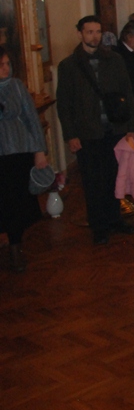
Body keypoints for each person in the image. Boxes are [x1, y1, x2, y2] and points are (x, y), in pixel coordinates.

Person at [57, 16, 134, 244]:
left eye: (98, 32)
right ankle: (99, 225)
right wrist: (71, 135)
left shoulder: (114, 60)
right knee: (93, 181)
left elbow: (127, 92)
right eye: (90, 32)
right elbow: (64, 104)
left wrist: (131, 126)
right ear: (80, 34)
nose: (95, 36)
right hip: (88, 132)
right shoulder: (69, 66)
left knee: (115, 177)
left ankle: (115, 218)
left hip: (114, 129)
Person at [0, 47, 49, 272]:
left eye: (7, 64)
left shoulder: (17, 86)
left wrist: (39, 150)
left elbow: (31, 118)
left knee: (16, 202)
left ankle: (15, 246)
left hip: (19, 153)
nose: (6, 69)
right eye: (1, 65)